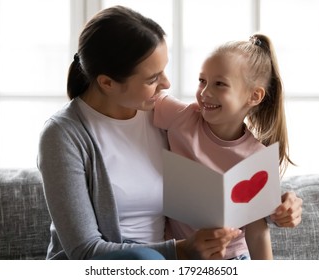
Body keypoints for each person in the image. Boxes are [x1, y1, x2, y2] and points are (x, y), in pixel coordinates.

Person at [38, 5, 302, 260]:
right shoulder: (63, 135)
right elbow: (84, 251)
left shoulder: (159, 113)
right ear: (107, 83)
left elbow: (225, 153)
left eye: (164, 70)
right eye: (153, 78)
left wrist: (277, 202)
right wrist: (180, 251)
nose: (166, 84)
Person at [154, 34, 297, 259]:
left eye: (219, 84)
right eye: (202, 80)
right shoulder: (180, 117)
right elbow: (142, 96)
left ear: (254, 96)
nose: (205, 92)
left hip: (234, 257)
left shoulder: (256, 157)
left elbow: (258, 234)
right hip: (183, 253)